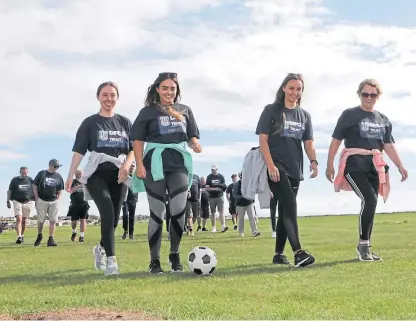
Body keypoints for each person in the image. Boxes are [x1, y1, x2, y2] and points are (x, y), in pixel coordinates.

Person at [326, 78, 408, 262]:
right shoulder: (349, 115)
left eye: (373, 94)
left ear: (378, 96)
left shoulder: (383, 120)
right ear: (359, 94)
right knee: (369, 199)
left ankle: (366, 246)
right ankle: (363, 245)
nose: (369, 97)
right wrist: (329, 164)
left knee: (372, 203)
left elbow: (388, 145)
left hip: (374, 165)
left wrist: (400, 165)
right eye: (365, 94)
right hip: (353, 164)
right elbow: (336, 141)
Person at [131, 72, 202, 274]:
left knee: (178, 210)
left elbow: (191, 135)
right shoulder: (147, 112)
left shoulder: (185, 110)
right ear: (157, 89)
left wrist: (195, 143)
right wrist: (139, 164)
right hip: (153, 163)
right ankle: (154, 261)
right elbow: (137, 140)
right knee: (157, 212)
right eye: (165, 88)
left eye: (172, 88)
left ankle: (174, 254)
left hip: (178, 164)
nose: (169, 92)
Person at [65, 81, 134, 276]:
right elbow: (78, 151)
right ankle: (112, 261)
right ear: (98, 97)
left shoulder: (125, 122)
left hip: (119, 173)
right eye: (105, 95)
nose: (108, 99)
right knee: (107, 211)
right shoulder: (90, 123)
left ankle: (101, 249)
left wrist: (127, 166)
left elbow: (132, 149)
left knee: (113, 219)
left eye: (112, 95)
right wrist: (70, 176)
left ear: (117, 98)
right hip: (96, 173)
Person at [255, 73, 317, 267]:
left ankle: (278, 254)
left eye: (298, 89)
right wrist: (271, 165)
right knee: (290, 204)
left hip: (295, 168)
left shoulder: (304, 115)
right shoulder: (272, 110)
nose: (294, 92)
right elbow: (263, 140)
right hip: (276, 166)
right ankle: (298, 252)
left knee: (285, 209)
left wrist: (313, 161)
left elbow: (308, 143)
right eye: (291, 88)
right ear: (284, 88)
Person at [32, 159, 65, 247]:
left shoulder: (58, 176)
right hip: (42, 200)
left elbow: (61, 188)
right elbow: (34, 185)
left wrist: (59, 199)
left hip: (54, 200)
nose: (57, 168)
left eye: (58, 167)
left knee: (53, 220)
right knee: (41, 221)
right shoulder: (42, 173)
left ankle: (51, 239)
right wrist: (36, 197)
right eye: (56, 166)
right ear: (50, 165)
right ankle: (39, 235)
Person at [6, 166, 35, 244]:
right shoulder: (15, 180)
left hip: (28, 201)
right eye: (23, 173)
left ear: (27, 172)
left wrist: (36, 199)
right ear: (20, 172)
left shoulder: (30, 180)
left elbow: (34, 189)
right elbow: (9, 191)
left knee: (24, 221)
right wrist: (7, 201)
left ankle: (22, 235)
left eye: (25, 173)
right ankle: (18, 236)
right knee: (19, 219)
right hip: (17, 201)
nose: (24, 174)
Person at [233, 172, 260, 237]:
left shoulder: (250, 183)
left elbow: (253, 191)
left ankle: (254, 231)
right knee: (241, 218)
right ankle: (241, 232)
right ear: (240, 177)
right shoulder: (237, 184)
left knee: (252, 217)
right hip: (240, 204)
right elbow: (235, 195)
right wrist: (243, 196)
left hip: (249, 203)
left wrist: (251, 198)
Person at [68, 169, 90, 242]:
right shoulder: (72, 182)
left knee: (83, 220)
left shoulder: (85, 181)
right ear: (75, 174)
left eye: (80, 174)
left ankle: (82, 236)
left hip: (84, 203)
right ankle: (74, 231)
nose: (78, 175)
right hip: (74, 204)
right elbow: (71, 190)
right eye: (77, 174)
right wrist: (78, 186)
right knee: (74, 222)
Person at [206, 165, 228, 232]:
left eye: (214, 169)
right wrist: (215, 189)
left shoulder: (221, 177)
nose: (213, 171)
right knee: (213, 212)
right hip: (212, 197)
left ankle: (223, 226)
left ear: (217, 169)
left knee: (221, 211)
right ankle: (214, 227)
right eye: (212, 169)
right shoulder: (209, 177)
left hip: (220, 196)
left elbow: (224, 186)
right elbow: (207, 188)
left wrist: (220, 187)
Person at [122, 163, 138, 240]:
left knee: (132, 217)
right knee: (125, 215)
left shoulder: (136, 176)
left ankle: (131, 234)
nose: (132, 168)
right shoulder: (125, 176)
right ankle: (125, 230)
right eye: (130, 166)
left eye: (133, 166)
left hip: (133, 199)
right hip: (125, 200)